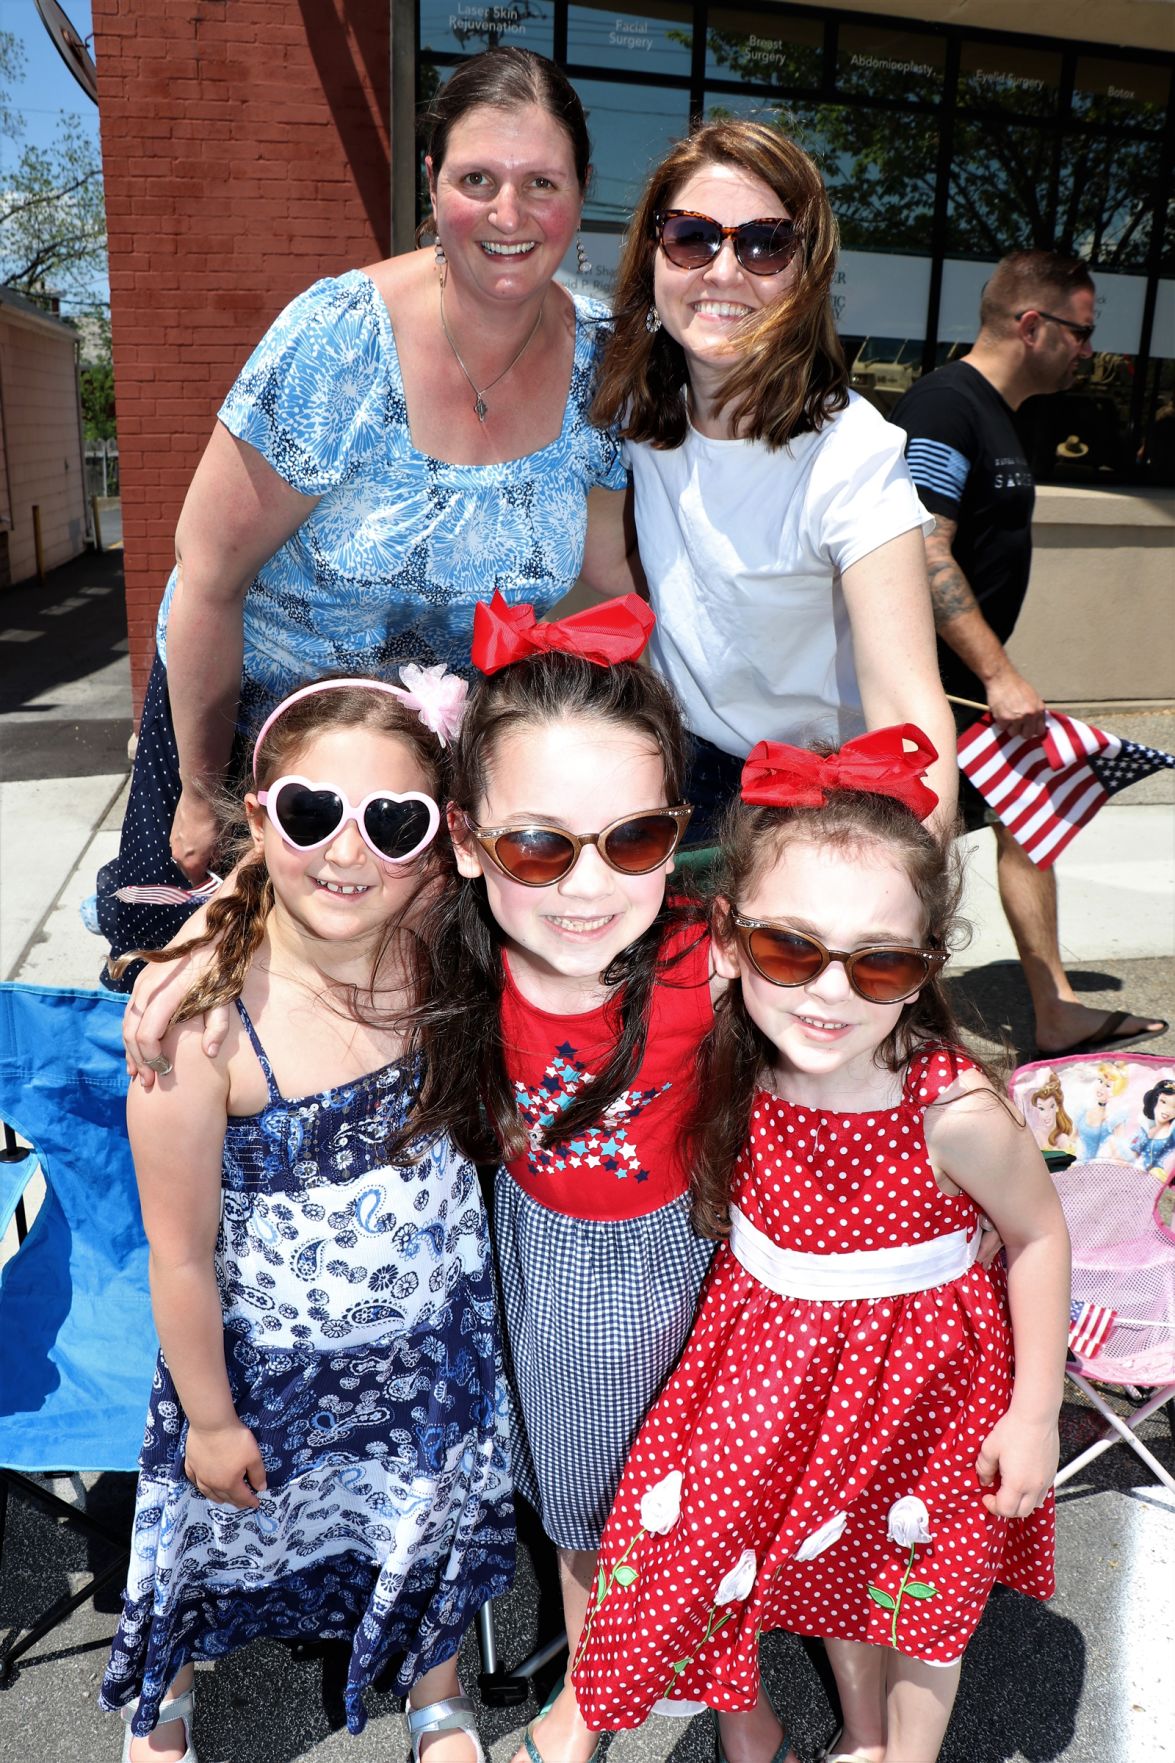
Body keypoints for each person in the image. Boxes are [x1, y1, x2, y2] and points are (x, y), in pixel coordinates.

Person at [571, 729, 1069, 1763]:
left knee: (915, 1585)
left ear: (927, 960)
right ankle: (839, 1723)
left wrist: (1033, 1414)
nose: (827, 992)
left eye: (877, 960)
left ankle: (898, 1747)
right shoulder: (737, 1045)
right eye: (789, 948)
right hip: (762, 1366)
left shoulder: (952, 1110)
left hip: (921, 1384)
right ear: (728, 937)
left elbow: (1034, 1231)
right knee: (796, 1560)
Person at [96, 45, 635, 984]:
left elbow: (618, 570)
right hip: (263, 738)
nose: (508, 215)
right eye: (477, 178)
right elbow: (210, 575)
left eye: (540, 182)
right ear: (432, 185)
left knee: (405, 1019)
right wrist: (197, 788)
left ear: (579, 192)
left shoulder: (600, 364)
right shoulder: (339, 337)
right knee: (202, 1007)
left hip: (437, 756)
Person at [99, 676, 514, 1763]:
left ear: (438, 844)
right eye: (310, 813)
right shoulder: (201, 1024)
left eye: (391, 822)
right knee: (204, 1537)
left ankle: (434, 1687)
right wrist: (212, 1418)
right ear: (259, 818)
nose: (347, 850)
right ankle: (168, 1688)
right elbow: (180, 1256)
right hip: (266, 1366)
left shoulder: (436, 950)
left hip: (424, 1354)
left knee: (417, 1518)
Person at [409, 593, 720, 1763]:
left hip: (697, 1261)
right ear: (463, 838)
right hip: (554, 1275)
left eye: (632, 838)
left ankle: (711, 1678)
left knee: (701, 1492)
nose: (586, 886)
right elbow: (290, 922)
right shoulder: (447, 949)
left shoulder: (717, 948)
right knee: (586, 1513)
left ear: (676, 829)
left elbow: (865, 953)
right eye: (539, 842)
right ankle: (588, 1702)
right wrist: (192, 952)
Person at [590, 120, 958, 839]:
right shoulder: (632, 409)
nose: (723, 271)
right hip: (673, 763)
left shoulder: (852, 453)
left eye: (764, 243)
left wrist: (907, 918)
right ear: (651, 256)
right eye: (692, 236)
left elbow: (908, 704)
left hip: (809, 795)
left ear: (804, 273)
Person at [891, 251, 1166, 1058]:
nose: (1089, 349)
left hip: (963, 681)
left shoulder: (997, 412)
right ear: (1031, 324)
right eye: (1080, 330)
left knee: (1026, 818)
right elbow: (920, 551)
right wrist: (996, 674)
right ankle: (897, 1026)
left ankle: (1052, 1008)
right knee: (917, 854)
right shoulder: (944, 405)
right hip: (926, 686)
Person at [1072, 1061, 1130, 1162]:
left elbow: (1118, 1148)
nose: (1101, 1087)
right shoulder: (1082, 1110)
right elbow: (1072, 1138)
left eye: (1108, 1086)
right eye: (1100, 1081)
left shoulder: (1115, 1118)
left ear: (1115, 1091)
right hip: (1076, 1161)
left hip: (1100, 1165)